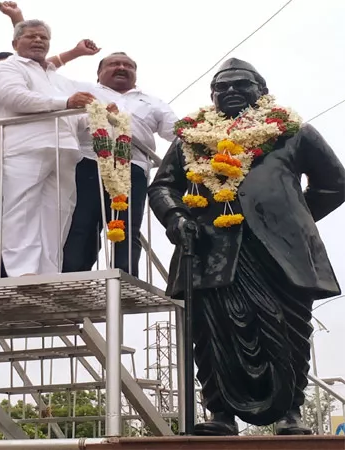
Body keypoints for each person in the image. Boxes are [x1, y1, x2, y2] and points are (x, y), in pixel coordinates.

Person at [148, 58, 345, 435]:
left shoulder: (293, 132)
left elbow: (334, 185)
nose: (232, 92)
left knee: (290, 330)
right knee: (211, 332)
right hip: (210, 250)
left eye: (242, 85)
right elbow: (163, 186)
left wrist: (291, 222)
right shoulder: (191, 138)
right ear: (212, 96)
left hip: (281, 255)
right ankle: (221, 414)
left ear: (262, 92)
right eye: (222, 87)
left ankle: (291, 413)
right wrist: (176, 219)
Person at [0, 19, 96, 277]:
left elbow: (75, 116)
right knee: (22, 209)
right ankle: (22, 273)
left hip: (64, 149)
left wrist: (97, 116)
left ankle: (48, 273)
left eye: (43, 38)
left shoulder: (58, 78)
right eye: (31, 36)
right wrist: (67, 102)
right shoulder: (5, 68)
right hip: (23, 146)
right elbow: (16, 98)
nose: (38, 41)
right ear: (15, 43)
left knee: (58, 213)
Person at [63, 52, 177, 277]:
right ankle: (72, 275)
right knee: (82, 223)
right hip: (89, 161)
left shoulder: (152, 101)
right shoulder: (83, 90)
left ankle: (123, 276)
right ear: (99, 73)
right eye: (114, 64)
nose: (121, 68)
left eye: (128, 65)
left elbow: (176, 132)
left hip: (133, 166)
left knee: (127, 226)